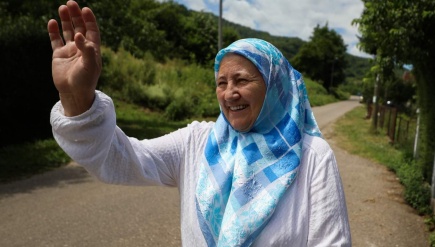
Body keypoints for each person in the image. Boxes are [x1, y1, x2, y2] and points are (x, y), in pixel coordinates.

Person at [48, 1, 351, 246]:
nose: (229, 93)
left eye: (242, 80)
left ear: (275, 86)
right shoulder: (198, 141)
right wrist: (77, 96)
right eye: (221, 82)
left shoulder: (312, 156)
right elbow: (120, 159)